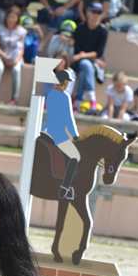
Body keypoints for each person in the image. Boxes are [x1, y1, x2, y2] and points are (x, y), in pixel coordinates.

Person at [43, 68, 80, 200]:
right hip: (57, 133)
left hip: (46, 130)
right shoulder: (65, 97)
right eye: (68, 81)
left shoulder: (51, 93)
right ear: (64, 82)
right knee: (76, 157)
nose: (70, 84)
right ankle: (65, 188)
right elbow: (68, 120)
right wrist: (75, 136)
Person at [71, 2, 108, 111]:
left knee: (85, 69)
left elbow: (99, 52)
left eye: (99, 12)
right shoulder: (80, 28)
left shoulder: (103, 31)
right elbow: (77, 49)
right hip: (83, 61)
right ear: (88, 12)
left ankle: (77, 104)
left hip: (86, 60)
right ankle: (92, 100)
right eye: (93, 11)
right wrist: (90, 58)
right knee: (86, 65)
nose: (96, 14)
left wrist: (83, 55)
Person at [0, 6, 26, 104]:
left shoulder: (22, 31)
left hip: (15, 55)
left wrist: (16, 60)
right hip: (1, 54)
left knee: (16, 70)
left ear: (17, 19)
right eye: (9, 17)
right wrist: (5, 57)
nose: (11, 19)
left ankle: (14, 98)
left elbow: (21, 49)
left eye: (13, 17)